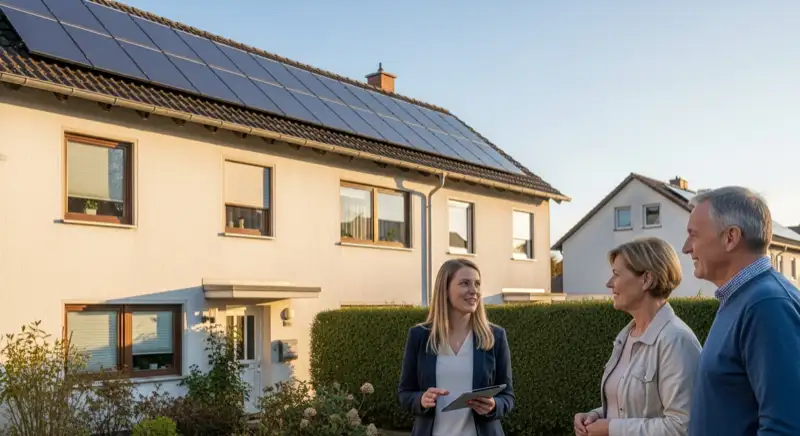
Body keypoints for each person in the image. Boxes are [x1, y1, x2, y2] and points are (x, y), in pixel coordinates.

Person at [683, 187, 800, 436]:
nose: (686, 248)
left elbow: (786, 427)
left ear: (731, 238)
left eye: (693, 236)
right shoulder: (742, 299)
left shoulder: (767, 304)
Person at [574, 237, 702, 436]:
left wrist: (610, 428)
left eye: (616, 274)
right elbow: (630, 406)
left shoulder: (676, 341)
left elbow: (681, 427)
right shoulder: (625, 337)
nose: (609, 283)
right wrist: (597, 416)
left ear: (646, 279)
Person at [398, 258, 515, 436]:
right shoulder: (420, 336)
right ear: (445, 290)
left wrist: (493, 406)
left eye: (477, 284)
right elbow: (405, 393)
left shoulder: (494, 337)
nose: (474, 291)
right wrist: (421, 399)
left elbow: (507, 396)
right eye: (464, 283)